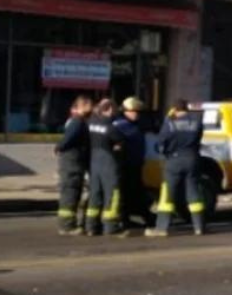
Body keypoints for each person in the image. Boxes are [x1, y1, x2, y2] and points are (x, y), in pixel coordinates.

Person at [147, 99, 205, 237]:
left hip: (174, 160)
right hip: (192, 158)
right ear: (187, 108)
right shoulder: (197, 122)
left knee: (168, 194)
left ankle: (162, 228)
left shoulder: (170, 123)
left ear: (174, 109)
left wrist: (168, 118)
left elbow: (161, 143)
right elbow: (198, 139)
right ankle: (199, 227)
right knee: (193, 192)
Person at [85, 98, 126, 236]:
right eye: (113, 110)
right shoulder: (110, 127)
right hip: (108, 162)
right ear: (108, 110)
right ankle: (110, 225)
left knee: (95, 194)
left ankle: (91, 226)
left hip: (94, 161)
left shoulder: (91, 123)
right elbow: (121, 142)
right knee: (112, 194)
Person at [54, 95, 93, 236]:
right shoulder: (78, 122)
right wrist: (59, 147)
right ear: (77, 108)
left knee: (72, 193)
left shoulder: (78, 121)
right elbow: (68, 139)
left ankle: (68, 224)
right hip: (72, 165)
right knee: (70, 193)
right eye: (86, 104)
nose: (90, 107)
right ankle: (67, 226)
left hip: (73, 164)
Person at [114, 97, 151, 228]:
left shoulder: (134, 125)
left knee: (136, 192)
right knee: (126, 193)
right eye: (135, 111)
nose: (137, 114)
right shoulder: (121, 125)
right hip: (126, 166)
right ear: (126, 111)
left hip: (135, 164)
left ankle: (143, 216)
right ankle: (124, 219)